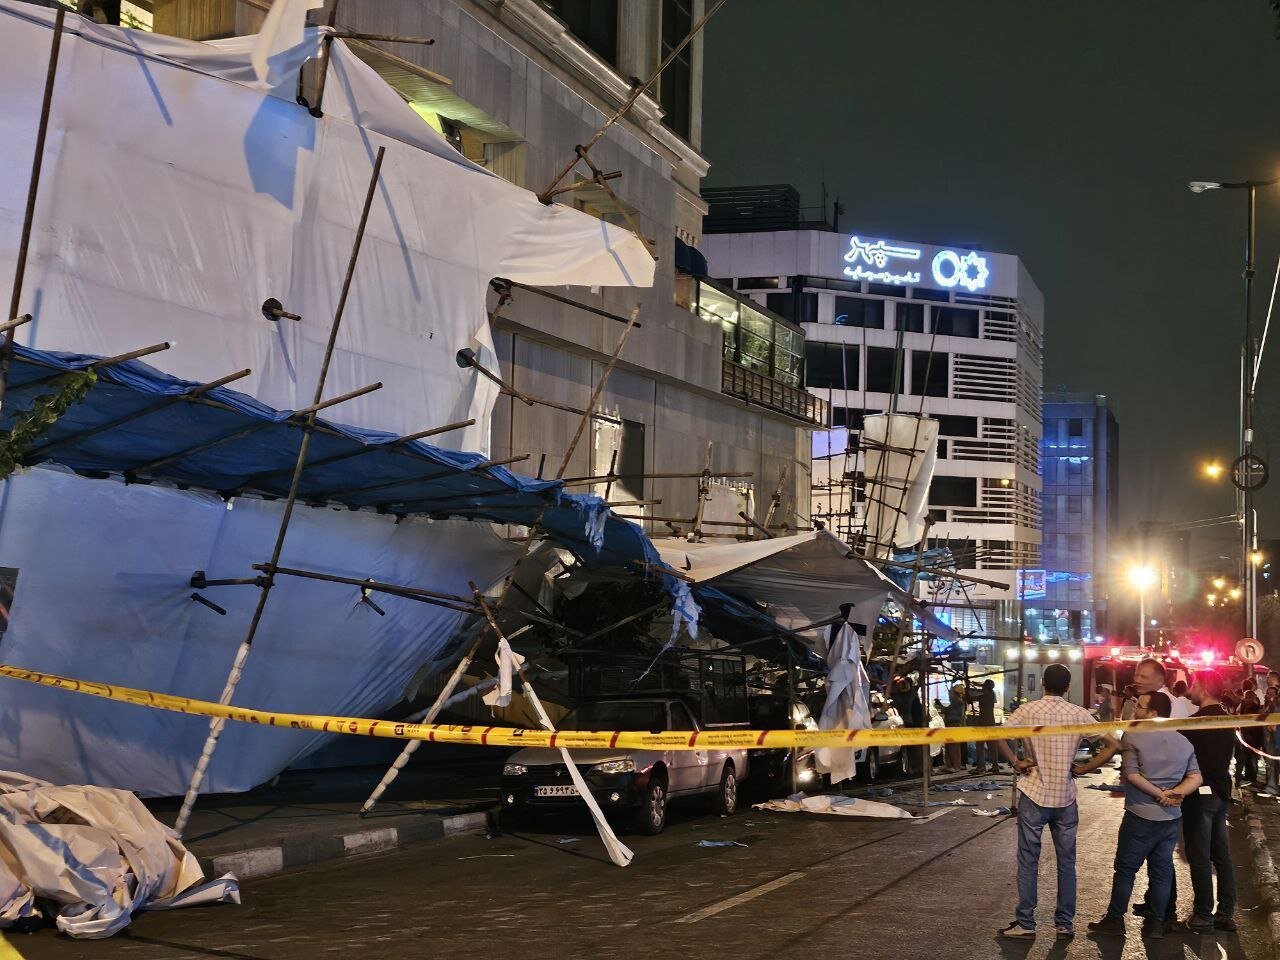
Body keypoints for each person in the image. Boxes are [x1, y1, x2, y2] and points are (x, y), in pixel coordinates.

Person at [996, 663, 1120, 938]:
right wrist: (1086, 767)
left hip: (1034, 794)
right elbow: (1113, 744)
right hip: (1065, 797)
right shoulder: (1078, 713)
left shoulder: (1027, 710)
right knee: (1066, 862)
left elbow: (999, 736)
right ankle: (1065, 923)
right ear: (1067, 687)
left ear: (1042, 684)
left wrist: (1018, 762)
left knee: (1029, 860)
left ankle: (1026, 923)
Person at [1088, 692, 1202, 940]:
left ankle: (1115, 920)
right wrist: (1174, 793)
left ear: (1151, 713)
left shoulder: (1133, 735)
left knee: (1126, 870)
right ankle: (1156, 925)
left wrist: (1160, 793)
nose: (1134, 710)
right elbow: (1196, 777)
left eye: (1139, 706)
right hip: (1171, 818)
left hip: (1140, 815)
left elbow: (1132, 775)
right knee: (1161, 871)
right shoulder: (1183, 742)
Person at [1178, 670, 1238, 933]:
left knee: (1200, 855)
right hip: (1221, 794)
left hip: (1199, 795)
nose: (1190, 689)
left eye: (1193, 684)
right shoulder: (1230, 721)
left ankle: (1203, 913)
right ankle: (1225, 913)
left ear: (1202, 687)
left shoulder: (1192, 724)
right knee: (1221, 855)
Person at [969, 679, 1003, 774]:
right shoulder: (991, 694)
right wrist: (973, 684)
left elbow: (972, 695)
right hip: (991, 722)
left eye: (984, 686)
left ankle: (981, 766)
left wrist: (969, 686)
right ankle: (995, 766)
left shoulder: (984, 695)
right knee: (992, 746)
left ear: (986, 687)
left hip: (984, 722)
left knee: (980, 745)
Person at [1236, 691, 1262, 787]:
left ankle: (1252, 778)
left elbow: (1257, 726)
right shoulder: (1243, 707)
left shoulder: (1256, 708)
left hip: (1253, 737)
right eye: (1246, 697)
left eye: (1249, 697)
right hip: (1245, 736)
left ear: (1253, 697)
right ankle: (1248, 776)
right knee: (1247, 759)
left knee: (1253, 759)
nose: (1247, 699)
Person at [943, 683, 966, 773]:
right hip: (953, 725)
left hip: (954, 724)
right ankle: (953, 765)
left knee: (954, 747)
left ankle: (956, 766)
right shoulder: (957, 701)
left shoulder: (957, 701)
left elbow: (947, 710)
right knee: (952, 746)